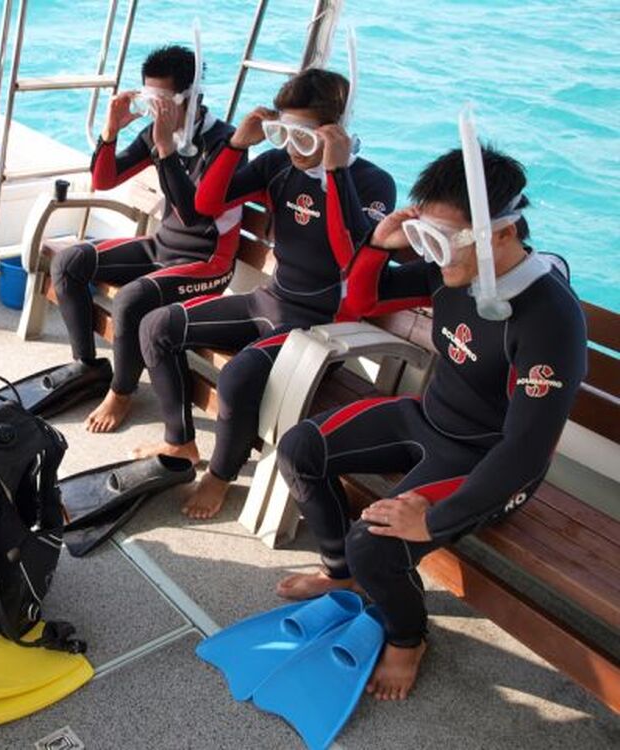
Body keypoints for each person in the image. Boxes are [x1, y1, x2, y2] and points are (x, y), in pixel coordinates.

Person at [274, 146, 587, 701]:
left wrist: (434, 520)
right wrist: (380, 243)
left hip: (488, 458)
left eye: (441, 241)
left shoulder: (550, 318)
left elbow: (526, 451)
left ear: (501, 235)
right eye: (426, 237)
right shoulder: (458, 270)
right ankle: (342, 574)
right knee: (301, 447)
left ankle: (408, 636)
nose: (430, 255)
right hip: (425, 418)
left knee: (375, 543)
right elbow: (361, 301)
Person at [136, 68, 396, 518]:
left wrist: (335, 172)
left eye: (305, 137)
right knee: (157, 326)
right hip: (271, 300)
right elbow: (206, 204)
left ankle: (220, 476)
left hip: (320, 326)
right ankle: (180, 443)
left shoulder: (373, 183)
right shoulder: (278, 164)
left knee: (237, 377)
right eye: (284, 133)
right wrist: (239, 144)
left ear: (335, 131)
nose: (293, 147)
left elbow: (350, 257)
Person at [50, 44, 245, 433]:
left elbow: (193, 213)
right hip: (162, 247)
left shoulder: (226, 144)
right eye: (149, 99)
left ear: (191, 97)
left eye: (163, 101)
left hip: (207, 262)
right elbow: (104, 179)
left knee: (130, 299)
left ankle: (121, 393)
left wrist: (166, 147)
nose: (155, 110)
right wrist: (110, 130)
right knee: (68, 263)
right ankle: (88, 366)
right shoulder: (158, 133)